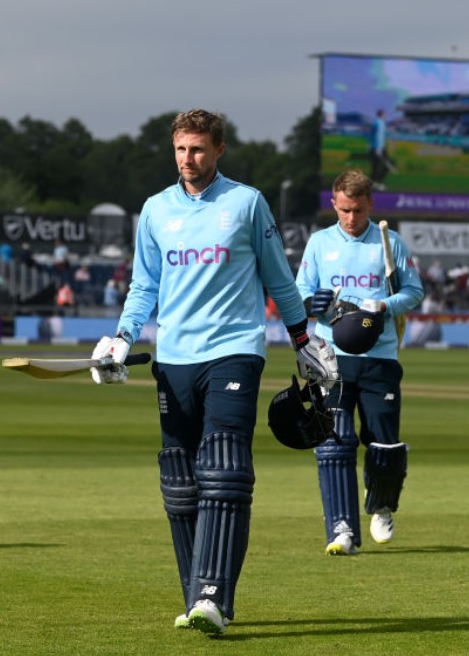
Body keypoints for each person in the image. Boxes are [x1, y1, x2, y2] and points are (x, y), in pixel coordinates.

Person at [89, 109, 338, 636]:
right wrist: (121, 338)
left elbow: (278, 279)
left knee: (224, 472)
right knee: (181, 486)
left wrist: (303, 342)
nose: (188, 159)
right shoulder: (155, 210)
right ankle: (198, 595)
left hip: (234, 351)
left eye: (198, 149)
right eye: (181, 149)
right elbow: (143, 287)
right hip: (173, 358)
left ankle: (212, 598)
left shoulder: (245, 203)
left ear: (219, 149)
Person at [296, 169, 424, 556]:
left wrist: (384, 304)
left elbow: (415, 291)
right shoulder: (319, 243)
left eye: (358, 210)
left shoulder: (389, 242)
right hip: (330, 355)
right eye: (344, 210)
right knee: (335, 441)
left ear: (370, 204)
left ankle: (382, 505)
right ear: (333, 204)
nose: (351, 219)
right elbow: (300, 290)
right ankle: (342, 529)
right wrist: (310, 302)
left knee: (383, 443)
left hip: (379, 357)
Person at [369, 109, 392, 189]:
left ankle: (375, 182)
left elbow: (373, 136)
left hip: (376, 147)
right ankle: (378, 182)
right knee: (384, 165)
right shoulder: (380, 123)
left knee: (376, 166)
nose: (386, 116)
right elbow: (377, 136)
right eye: (385, 114)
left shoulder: (376, 122)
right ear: (382, 114)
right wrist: (378, 148)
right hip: (378, 148)